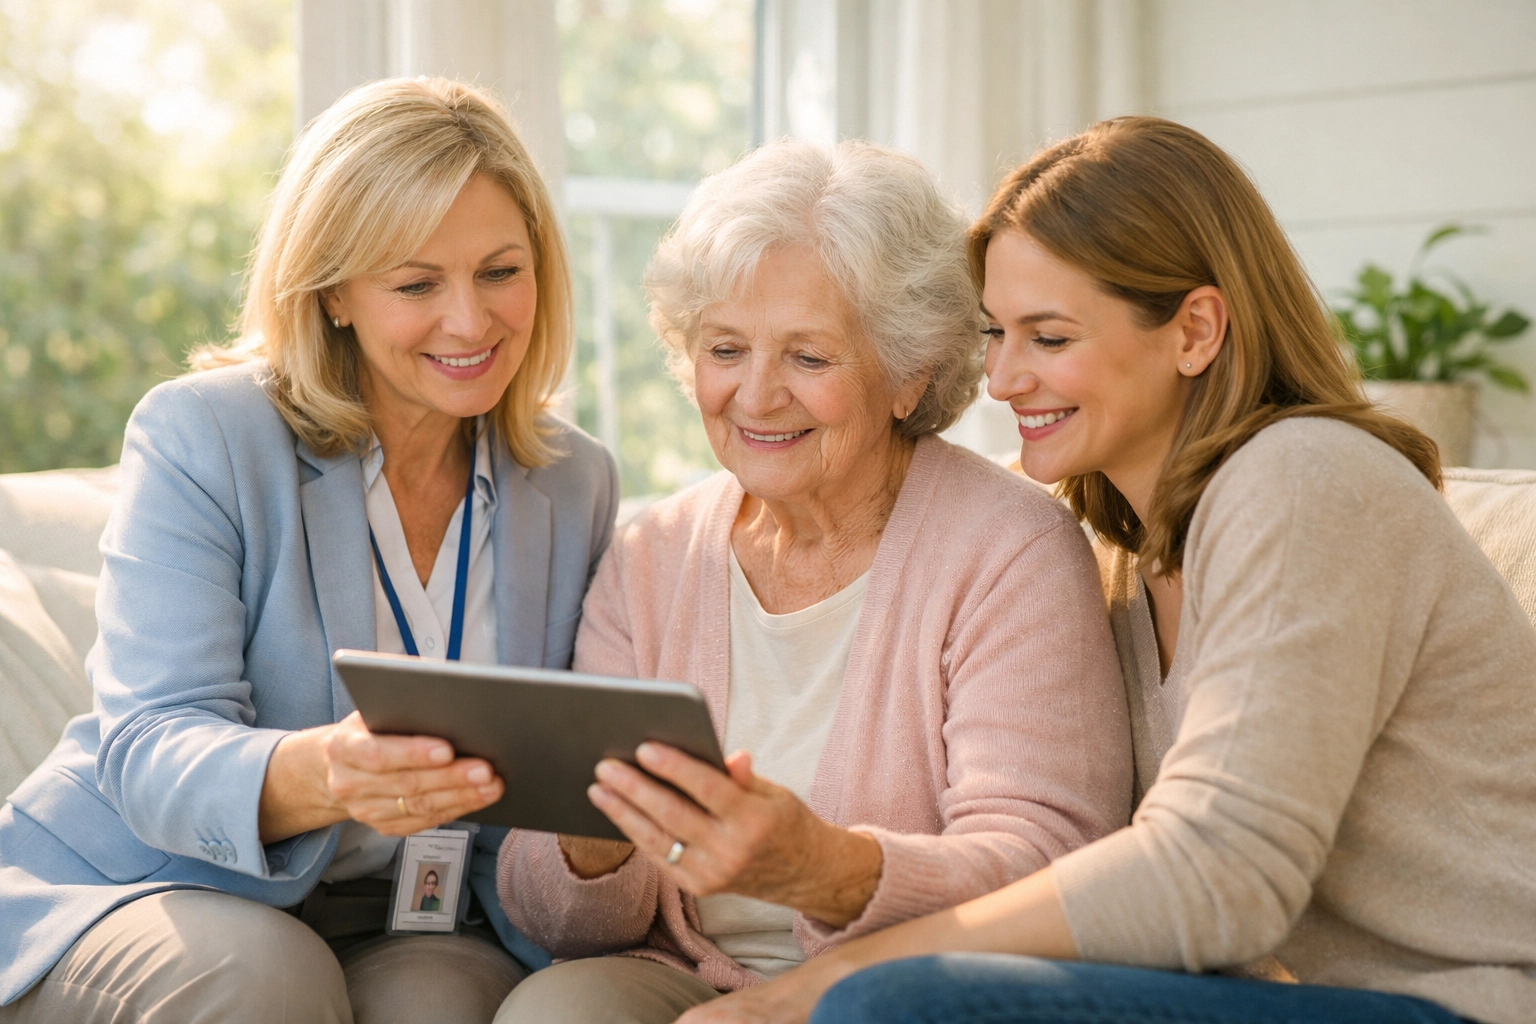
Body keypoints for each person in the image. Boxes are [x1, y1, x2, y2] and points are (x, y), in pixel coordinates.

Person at [672, 117, 1536, 1024]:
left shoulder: (1305, 481)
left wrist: (839, 970)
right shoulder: (1121, 542)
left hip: (1473, 1003)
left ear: (1195, 330)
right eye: (996, 333)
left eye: (1049, 338)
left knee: (892, 1004)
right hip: (1292, 1001)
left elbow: (1223, 872)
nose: (1002, 380)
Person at [0, 77, 617, 1023]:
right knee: (266, 975)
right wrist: (327, 771)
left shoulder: (573, 481)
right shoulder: (205, 433)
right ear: (333, 292)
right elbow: (149, 746)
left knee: (446, 1005)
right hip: (149, 883)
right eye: (416, 284)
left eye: (501, 272)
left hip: (407, 913)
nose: (470, 320)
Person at [492, 138, 1134, 1024]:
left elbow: (1046, 866)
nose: (757, 396)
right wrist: (591, 842)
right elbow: (550, 915)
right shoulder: (653, 555)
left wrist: (820, 867)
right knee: (553, 1011)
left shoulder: (1010, 549)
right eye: (726, 349)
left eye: (809, 357)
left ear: (908, 374)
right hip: (681, 976)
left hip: (910, 990)